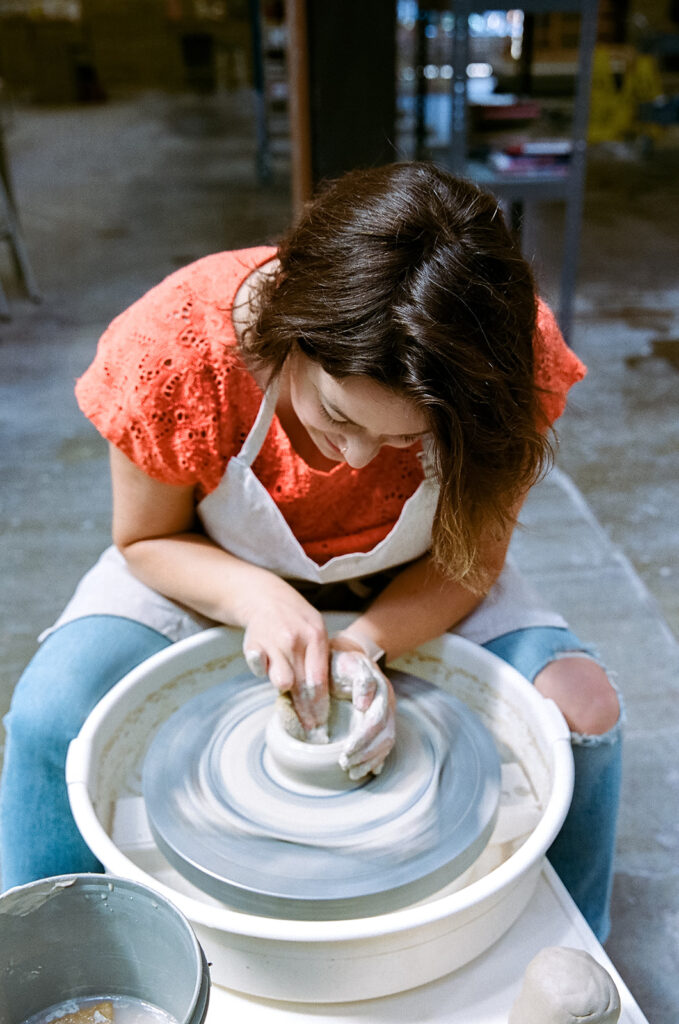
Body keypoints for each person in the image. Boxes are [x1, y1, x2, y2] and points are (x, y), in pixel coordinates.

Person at [0, 162, 622, 940]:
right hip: (207, 564)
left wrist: (364, 647)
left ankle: (573, 959)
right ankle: (37, 956)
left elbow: (473, 557)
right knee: (50, 714)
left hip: (416, 572)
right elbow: (146, 539)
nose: (360, 460)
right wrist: (258, 599)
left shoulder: (499, 363)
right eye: (337, 415)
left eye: (403, 438)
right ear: (292, 331)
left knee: (584, 711)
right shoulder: (179, 347)